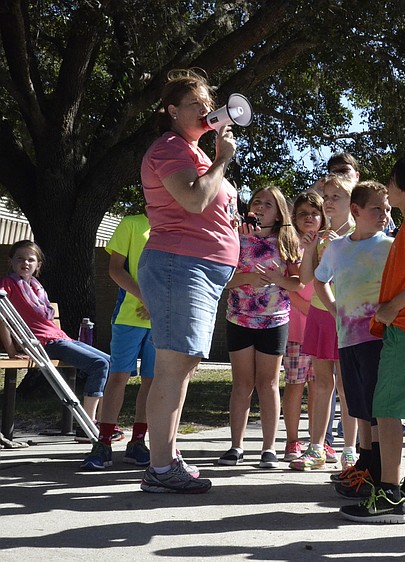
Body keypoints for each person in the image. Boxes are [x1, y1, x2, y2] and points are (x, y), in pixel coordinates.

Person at [137, 68, 240, 493]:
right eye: (196, 103)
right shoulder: (169, 148)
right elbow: (194, 199)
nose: (206, 109)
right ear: (172, 110)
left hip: (196, 268)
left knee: (182, 366)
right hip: (180, 265)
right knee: (174, 367)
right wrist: (222, 160)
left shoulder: (192, 151)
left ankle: (167, 457)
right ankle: (161, 469)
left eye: (208, 103)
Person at [340, 152, 405, 524]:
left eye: (392, 181)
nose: (387, 187)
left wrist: (391, 307)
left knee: (385, 409)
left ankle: (388, 495)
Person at [310, 181, 394, 498]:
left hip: (378, 339)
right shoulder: (337, 248)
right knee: (358, 404)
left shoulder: (390, 247)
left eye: (387, 208)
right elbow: (320, 280)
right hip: (347, 339)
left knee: (376, 407)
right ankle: (365, 462)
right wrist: (335, 310)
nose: (384, 214)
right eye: (377, 208)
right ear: (356, 210)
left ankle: (379, 470)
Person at [218, 186, 301, 469]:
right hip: (239, 319)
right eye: (257, 202)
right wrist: (247, 278)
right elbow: (223, 280)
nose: (261, 208)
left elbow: (297, 283)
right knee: (242, 384)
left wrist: (279, 278)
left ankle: (269, 448)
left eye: (268, 204)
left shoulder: (287, 241)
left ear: (279, 213)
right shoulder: (236, 237)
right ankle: (236, 446)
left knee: (268, 384)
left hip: (274, 320)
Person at [0, 240, 110, 425]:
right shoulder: (7, 284)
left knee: (112, 363)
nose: (25, 263)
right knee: (99, 364)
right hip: (43, 343)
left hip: (59, 338)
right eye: (20, 258)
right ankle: (87, 424)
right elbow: (2, 318)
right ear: (10, 261)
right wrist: (11, 352)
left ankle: (104, 422)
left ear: (38, 265)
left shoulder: (36, 288)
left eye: (30, 259)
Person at [291, 174, 358, 471]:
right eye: (326, 197)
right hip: (320, 314)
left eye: (335, 197)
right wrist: (309, 249)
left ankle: (350, 449)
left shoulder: (359, 234)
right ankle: (316, 447)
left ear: (352, 201)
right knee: (321, 384)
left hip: (349, 316)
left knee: (347, 385)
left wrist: (338, 247)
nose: (328, 202)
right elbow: (306, 278)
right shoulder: (321, 236)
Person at [80, 214, 155, 470]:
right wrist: (145, 298)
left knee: (152, 381)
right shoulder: (132, 224)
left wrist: (158, 304)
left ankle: (138, 442)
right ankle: (103, 442)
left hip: (160, 320)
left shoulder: (177, 225)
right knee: (118, 376)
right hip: (128, 317)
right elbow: (115, 269)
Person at [281, 192, 325, 462]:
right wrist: (314, 311)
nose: (309, 218)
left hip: (322, 331)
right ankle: (292, 440)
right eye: (303, 214)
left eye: (314, 213)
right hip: (297, 329)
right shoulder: (289, 246)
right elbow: (289, 289)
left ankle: (316, 441)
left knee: (319, 387)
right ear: (294, 218)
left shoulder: (329, 245)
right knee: (295, 385)